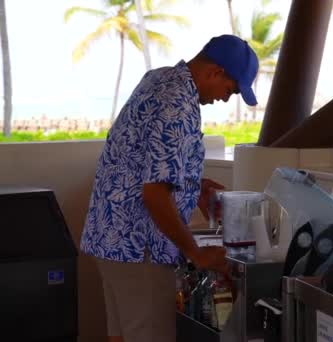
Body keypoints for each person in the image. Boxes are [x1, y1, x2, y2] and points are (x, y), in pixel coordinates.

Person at [80, 34, 259, 342]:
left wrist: (193, 185)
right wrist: (196, 253)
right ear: (214, 72)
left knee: (121, 336)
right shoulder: (178, 105)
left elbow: (142, 161)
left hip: (108, 238)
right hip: (140, 248)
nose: (224, 99)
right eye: (229, 90)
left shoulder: (159, 79)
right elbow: (153, 194)